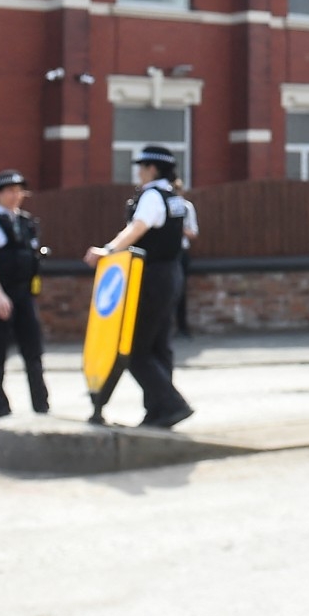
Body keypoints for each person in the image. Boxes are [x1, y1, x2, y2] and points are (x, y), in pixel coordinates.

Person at [84, 145, 193, 428]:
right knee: (159, 348)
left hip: (151, 275)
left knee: (134, 348)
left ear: (153, 169)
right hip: (172, 274)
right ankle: (158, 412)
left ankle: (172, 404)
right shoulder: (174, 198)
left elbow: (137, 228)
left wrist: (108, 250)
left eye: (142, 167)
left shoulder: (153, 196)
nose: (139, 172)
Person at [0, 170, 49, 419]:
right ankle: (0, 410)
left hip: (24, 294)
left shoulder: (27, 222)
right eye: (9, 191)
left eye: (19, 190)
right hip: (0, 294)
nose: (15, 196)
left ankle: (41, 406)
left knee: (33, 351)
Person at [174, 179, 199, 337]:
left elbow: (193, 232)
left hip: (180, 252)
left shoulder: (186, 207)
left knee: (181, 290)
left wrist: (178, 228)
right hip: (164, 252)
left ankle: (182, 327)